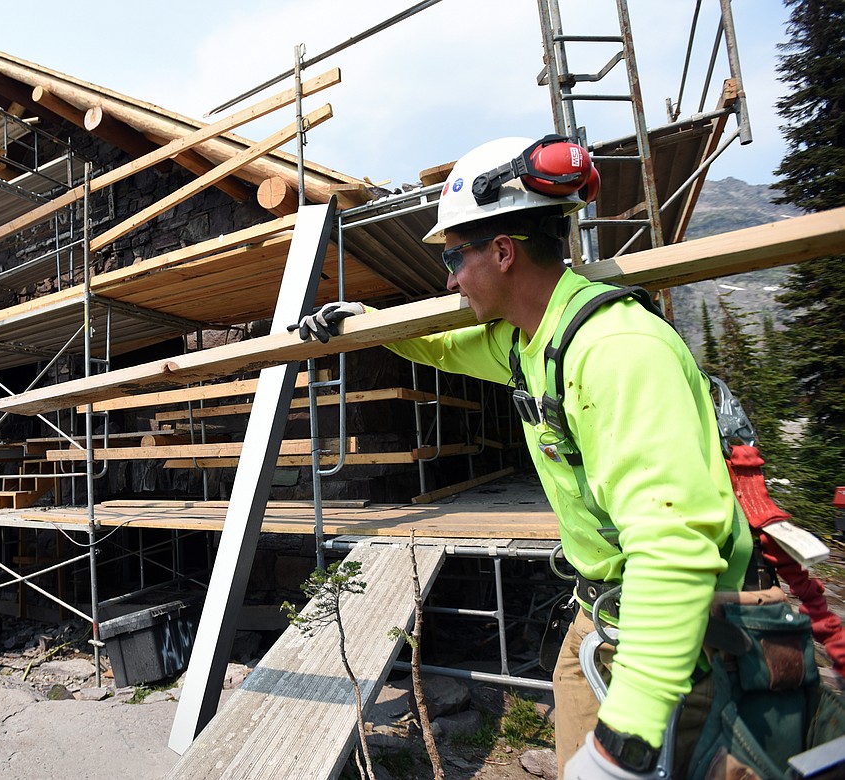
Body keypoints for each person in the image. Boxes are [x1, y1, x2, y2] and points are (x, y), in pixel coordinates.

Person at [294, 136, 753, 778]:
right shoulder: (529, 340)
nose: (449, 277)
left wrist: (631, 736)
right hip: (600, 614)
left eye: (455, 255)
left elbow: (675, 547)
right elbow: (444, 347)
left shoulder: (615, 349)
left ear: (503, 251)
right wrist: (362, 322)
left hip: (681, 628)